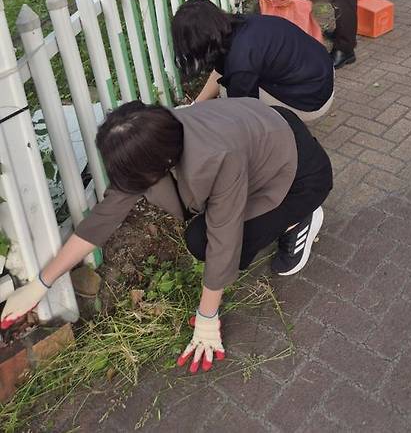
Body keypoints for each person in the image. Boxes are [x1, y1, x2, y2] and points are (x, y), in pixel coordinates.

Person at [0, 99, 333, 373]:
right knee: (207, 233)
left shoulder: (218, 157)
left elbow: (223, 240)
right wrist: (40, 284)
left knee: (207, 242)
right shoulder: (153, 135)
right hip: (259, 137)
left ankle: (299, 219)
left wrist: (206, 318)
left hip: (298, 173)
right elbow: (104, 218)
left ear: (162, 163)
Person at [172, 0, 334, 123]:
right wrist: (195, 107)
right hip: (321, 72)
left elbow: (245, 115)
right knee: (230, 83)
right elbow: (222, 69)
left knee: (228, 95)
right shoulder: (238, 24)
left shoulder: (241, 62)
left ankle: (286, 127)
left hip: (314, 98)